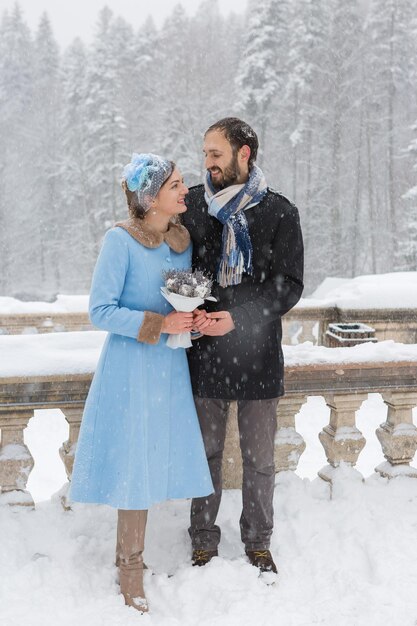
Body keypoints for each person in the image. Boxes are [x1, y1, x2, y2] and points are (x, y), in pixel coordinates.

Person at [70, 153, 213, 614]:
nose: (185, 190)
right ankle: (129, 571)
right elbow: (101, 311)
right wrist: (160, 323)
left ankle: (136, 563)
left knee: (154, 458)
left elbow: (180, 296)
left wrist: (191, 319)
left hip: (169, 370)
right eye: (175, 185)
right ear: (151, 197)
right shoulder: (120, 241)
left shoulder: (182, 240)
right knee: (134, 465)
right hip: (131, 368)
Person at [182, 117, 304, 575]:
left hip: (258, 356)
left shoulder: (278, 212)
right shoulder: (192, 204)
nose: (207, 162)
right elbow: (175, 263)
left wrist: (237, 318)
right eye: (205, 154)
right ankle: (202, 540)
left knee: (258, 461)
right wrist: (187, 305)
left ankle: (258, 541)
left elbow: (289, 285)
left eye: (216, 153)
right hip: (204, 355)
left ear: (244, 154)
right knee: (205, 455)